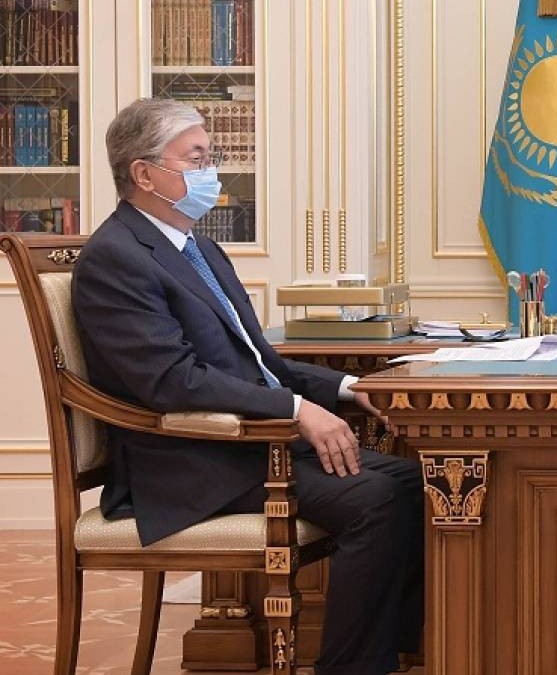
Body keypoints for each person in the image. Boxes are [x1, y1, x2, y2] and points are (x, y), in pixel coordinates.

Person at [72, 97, 422, 675]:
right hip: (191, 460)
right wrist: (297, 409)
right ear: (144, 174)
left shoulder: (198, 248)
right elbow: (172, 380)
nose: (211, 171)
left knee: (413, 482)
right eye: (196, 158)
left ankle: (402, 654)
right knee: (376, 501)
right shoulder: (115, 258)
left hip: (249, 445)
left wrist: (350, 387)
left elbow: (258, 361)